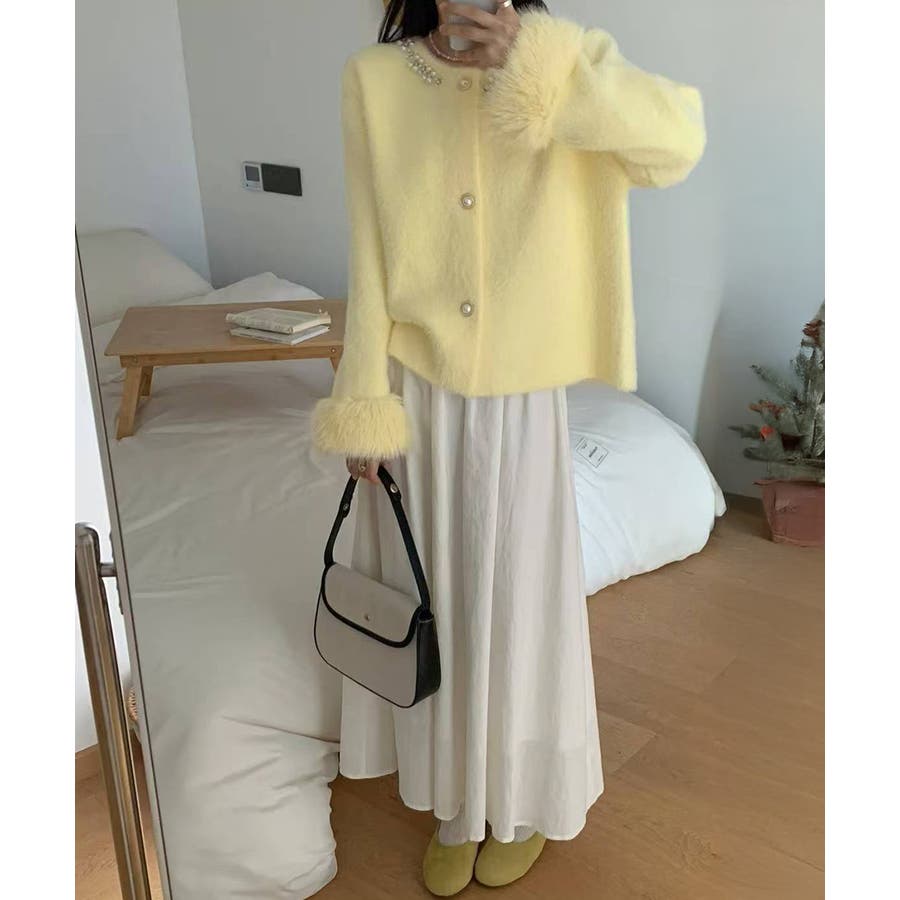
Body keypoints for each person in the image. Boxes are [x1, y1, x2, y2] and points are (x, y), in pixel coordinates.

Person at [313, 1, 705, 894]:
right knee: (443, 598)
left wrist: (543, 69)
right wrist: (362, 397)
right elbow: (367, 251)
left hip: (526, 396)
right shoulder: (375, 80)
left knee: (522, 601)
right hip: (421, 385)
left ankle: (522, 802)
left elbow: (676, 144)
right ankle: (456, 803)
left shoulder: (566, 59)